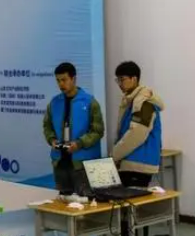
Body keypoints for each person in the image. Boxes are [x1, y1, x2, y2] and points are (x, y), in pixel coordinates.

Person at [43, 63, 104, 194]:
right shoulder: (54, 103)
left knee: (86, 202)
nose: (61, 84)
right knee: (63, 202)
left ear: (73, 79)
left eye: (64, 80)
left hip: (83, 165)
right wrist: (52, 140)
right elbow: (47, 126)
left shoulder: (89, 102)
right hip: (60, 163)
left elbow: (98, 131)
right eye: (58, 80)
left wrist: (79, 143)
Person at [112, 61, 164, 187]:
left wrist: (114, 155)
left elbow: (136, 135)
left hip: (138, 165)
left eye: (122, 79)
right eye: (117, 80)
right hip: (131, 161)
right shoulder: (131, 101)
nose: (119, 84)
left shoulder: (144, 103)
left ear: (134, 79)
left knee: (131, 199)